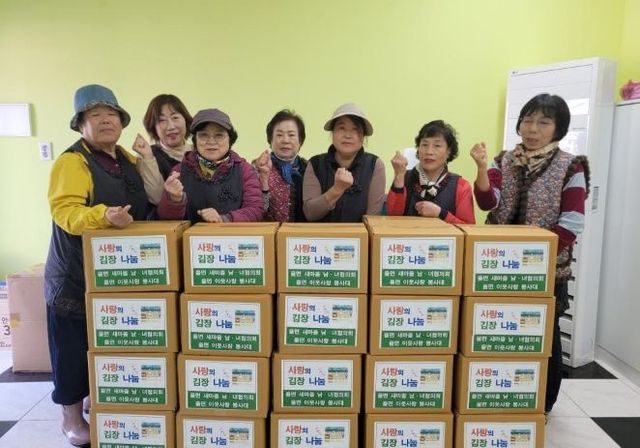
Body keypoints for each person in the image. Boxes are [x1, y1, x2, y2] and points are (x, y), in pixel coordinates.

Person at [470, 93, 589, 416]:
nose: (533, 129)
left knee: (544, 337)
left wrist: (534, 260)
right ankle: (502, 396)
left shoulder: (571, 166)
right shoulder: (503, 160)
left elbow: (572, 222)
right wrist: (481, 167)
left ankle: (543, 406)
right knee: (499, 331)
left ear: (558, 129)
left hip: (545, 270)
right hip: (496, 265)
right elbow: (488, 202)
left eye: (544, 122)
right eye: (527, 120)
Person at [44, 84, 148, 446]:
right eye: (95, 115)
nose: (106, 120)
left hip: (116, 273)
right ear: (80, 124)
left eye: (111, 114)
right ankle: (70, 417)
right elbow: (65, 212)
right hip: (74, 273)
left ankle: (96, 398)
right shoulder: (72, 161)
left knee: (106, 340)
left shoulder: (128, 159)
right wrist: (104, 216)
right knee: (72, 347)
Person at [157, 108, 263, 223]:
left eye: (219, 135)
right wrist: (174, 199)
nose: (211, 142)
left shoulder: (245, 170)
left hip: (231, 234)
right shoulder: (178, 171)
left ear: (230, 139)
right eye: (204, 135)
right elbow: (165, 219)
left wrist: (224, 219)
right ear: (195, 140)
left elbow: (255, 210)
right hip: (191, 234)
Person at [303, 103, 386, 222]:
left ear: (363, 136)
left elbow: (373, 219)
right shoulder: (315, 164)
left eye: (355, 130)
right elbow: (310, 214)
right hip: (321, 234)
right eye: (341, 128)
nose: (347, 135)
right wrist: (337, 189)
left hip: (360, 233)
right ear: (332, 133)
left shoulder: (375, 165)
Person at [386, 120, 475, 223]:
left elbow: (469, 228)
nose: (429, 152)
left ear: (449, 151)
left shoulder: (461, 186)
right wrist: (398, 175)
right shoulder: (403, 176)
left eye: (437, 146)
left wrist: (441, 214)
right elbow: (392, 217)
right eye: (424, 145)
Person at [132, 94, 193, 205]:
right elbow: (157, 199)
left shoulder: (200, 152)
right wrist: (148, 158)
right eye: (162, 120)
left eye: (175, 118)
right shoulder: (145, 156)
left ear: (185, 120)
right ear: (153, 127)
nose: (171, 126)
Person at [254, 109, 308, 222]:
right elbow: (259, 211)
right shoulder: (257, 169)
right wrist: (264, 180)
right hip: (270, 232)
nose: (285, 140)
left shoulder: (310, 169)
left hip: (305, 232)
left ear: (300, 141)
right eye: (279, 135)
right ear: (270, 140)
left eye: (291, 135)